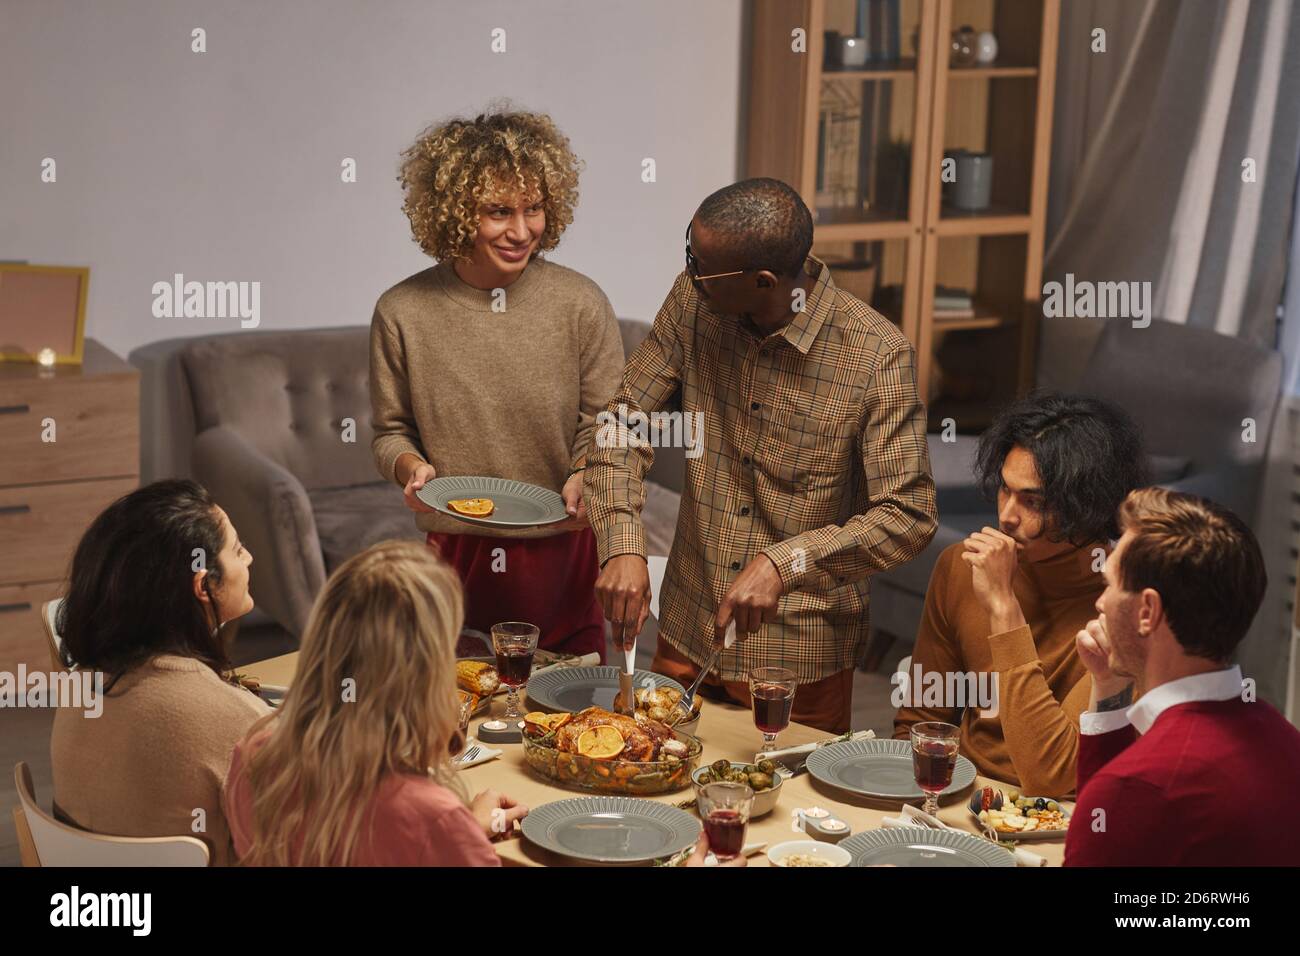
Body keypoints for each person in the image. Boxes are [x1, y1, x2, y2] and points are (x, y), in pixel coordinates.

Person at [585, 177, 938, 733]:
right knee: (651, 782)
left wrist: (787, 560)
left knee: (786, 812)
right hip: (687, 627)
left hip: (797, 659)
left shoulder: (876, 356)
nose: (690, 273)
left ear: (764, 280)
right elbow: (620, 424)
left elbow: (908, 516)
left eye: (702, 265)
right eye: (690, 252)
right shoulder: (693, 304)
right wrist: (623, 544)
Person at [370, 105, 624, 660]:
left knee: (575, 720)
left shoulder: (581, 303)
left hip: (565, 547)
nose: (521, 230)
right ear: (454, 213)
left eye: (533, 208)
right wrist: (411, 468)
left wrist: (585, 473)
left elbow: (606, 423)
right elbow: (390, 431)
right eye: (497, 211)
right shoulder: (401, 311)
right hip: (457, 547)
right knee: (459, 720)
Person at [893, 394, 1147, 795]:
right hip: (963, 796)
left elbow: (1053, 773)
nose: (1007, 516)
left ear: (1089, 507)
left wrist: (1002, 607)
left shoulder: (1124, 606)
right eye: (1004, 490)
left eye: (1033, 501)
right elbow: (923, 717)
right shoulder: (961, 567)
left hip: (1061, 813)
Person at [224, 540, 528, 866]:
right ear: (426, 670)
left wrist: (460, 834)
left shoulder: (254, 755)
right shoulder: (433, 818)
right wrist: (457, 835)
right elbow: (409, 833)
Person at [1065, 488, 1300, 866]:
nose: (1101, 602)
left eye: (1110, 583)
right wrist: (1108, 685)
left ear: (1147, 611)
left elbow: (1116, 807)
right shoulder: (1288, 743)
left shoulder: (1142, 788)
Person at [50, 480, 270, 866]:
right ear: (204, 586)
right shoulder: (239, 723)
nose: (249, 558)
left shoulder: (77, 688)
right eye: (237, 549)